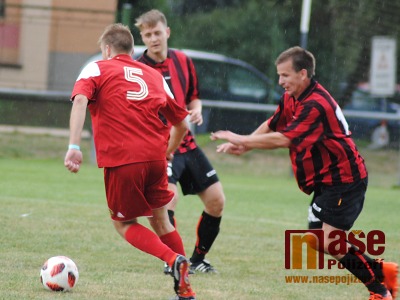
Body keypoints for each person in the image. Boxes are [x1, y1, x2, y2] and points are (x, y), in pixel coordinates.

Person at [211, 46, 398, 299]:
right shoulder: (292, 97)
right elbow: (274, 123)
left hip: (344, 180)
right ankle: (381, 271)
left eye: (285, 75)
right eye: (279, 75)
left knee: (329, 241)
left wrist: (241, 138)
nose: (280, 81)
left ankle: (379, 290)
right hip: (325, 181)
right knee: (316, 240)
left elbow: (285, 138)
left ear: (303, 73)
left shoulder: (316, 104)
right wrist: (244, 145)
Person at [64, 23, 196, 300]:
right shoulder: (153, 75)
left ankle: (173, 261)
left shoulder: (98, 67)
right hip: (155, 159)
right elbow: (182, 124)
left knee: (124, 224)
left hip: (124, 159)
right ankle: (185, 290)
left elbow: (79, 102)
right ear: (132, 49)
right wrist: (169, 150)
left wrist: (74, 145)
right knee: (162, 221)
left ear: (107, 49)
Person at [134, 9, 226, 274]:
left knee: (217, 201)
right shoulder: (139, 69)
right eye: (147, 34)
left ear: (167, 32)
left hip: (187, 143)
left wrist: (196, 108)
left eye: (157, 33)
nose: (153, 38)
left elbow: (194, 96)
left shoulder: (184, 61)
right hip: (161, 147)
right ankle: (172, 259)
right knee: (167, 202)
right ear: (142, 37)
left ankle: (198, 260)